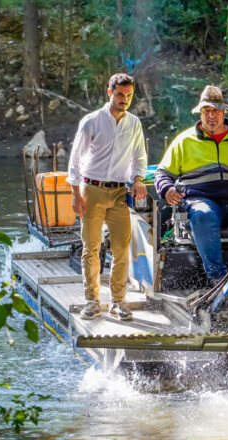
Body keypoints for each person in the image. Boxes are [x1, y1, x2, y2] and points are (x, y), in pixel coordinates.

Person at [155, 85, 228, 284]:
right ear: (200, 113)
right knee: (203, 215)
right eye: (206, 111)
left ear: (224, 112)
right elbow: (163, 173)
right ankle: (217, 276)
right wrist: (167, 189)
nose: (211, 116)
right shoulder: (184, 141)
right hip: (202, 199)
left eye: (216, 111)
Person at [67, 73, 147, 320]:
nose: (125, 100)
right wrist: (75, 193)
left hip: (119, 192)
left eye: (129, 96)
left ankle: (118, 302)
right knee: (91, 248)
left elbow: (139, 157)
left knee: (122, 249)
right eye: (120, 94)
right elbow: (75, 159)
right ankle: (92, 301)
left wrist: (138, 179)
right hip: (91, 190)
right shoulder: (91, 121)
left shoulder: (134, 123)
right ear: (109, 92)